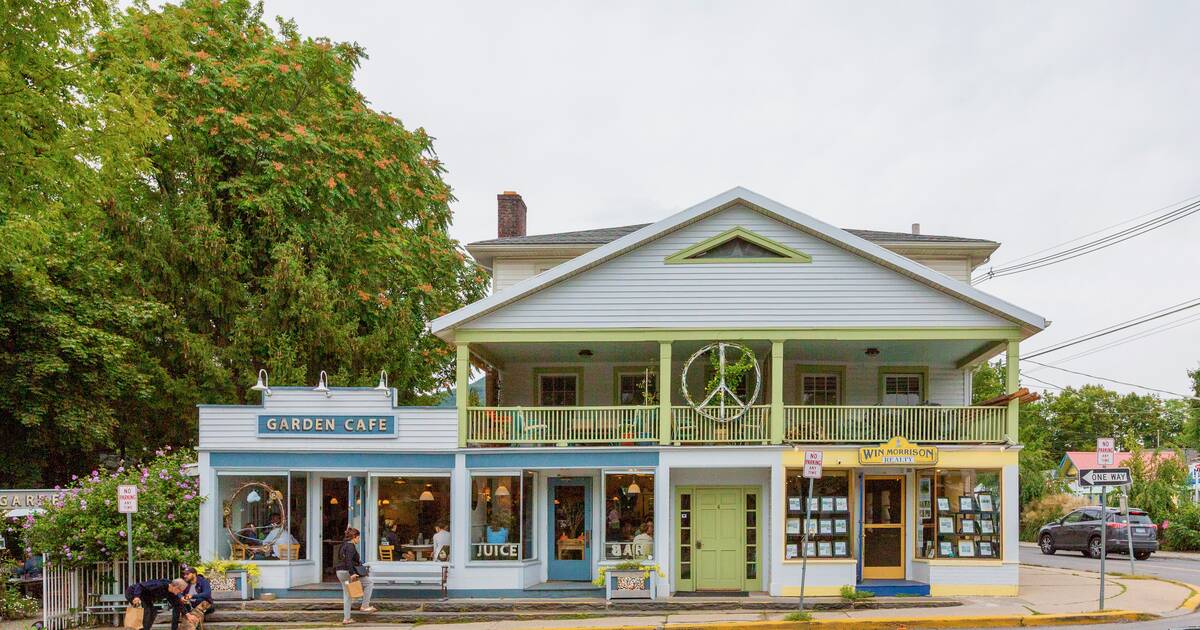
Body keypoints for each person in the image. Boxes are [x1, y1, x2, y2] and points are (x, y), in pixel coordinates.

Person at [335, 527, 376, 624]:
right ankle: (365, 606)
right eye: (358, 537)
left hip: (340, 573)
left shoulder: (343, 545)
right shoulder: (351, 546)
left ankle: (346, 618)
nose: (359, 539)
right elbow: (348, 560)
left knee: (347, 594)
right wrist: (352, 573)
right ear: (354, 537)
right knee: (369, 583)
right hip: (348, 572)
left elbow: (343, 559)